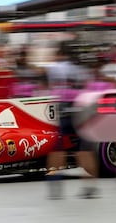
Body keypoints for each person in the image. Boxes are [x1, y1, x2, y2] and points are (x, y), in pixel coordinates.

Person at [45, 40, 100, 199]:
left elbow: (49, 87)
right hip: (81, 110)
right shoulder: (84, 71)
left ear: (60, 53)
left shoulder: (54, 69)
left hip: (63, 111)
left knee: (58, 149)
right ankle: (89, 187)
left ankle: (55, 186)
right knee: (84, 150)